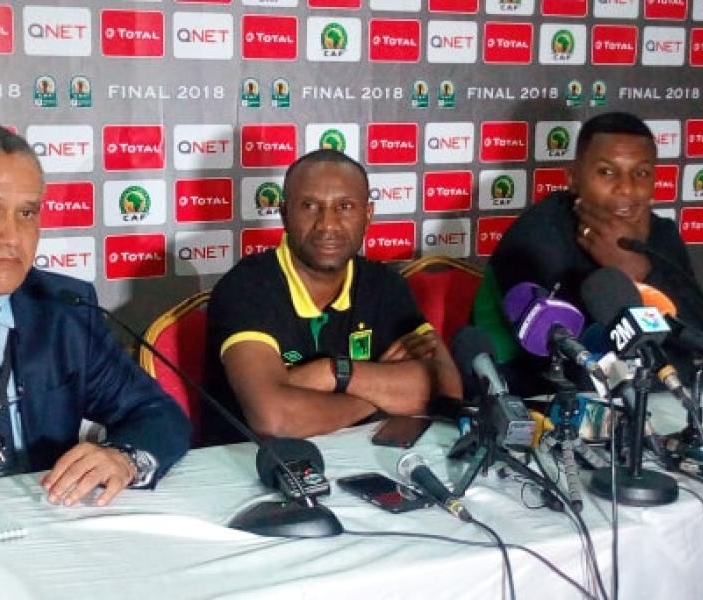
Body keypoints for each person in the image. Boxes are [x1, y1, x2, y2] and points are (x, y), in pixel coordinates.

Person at [0, 123, 191, 503]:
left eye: (26, 213)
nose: (11, 236)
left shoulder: (65, 308)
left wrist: (124, 458)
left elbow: (156, 413)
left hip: (45, 528)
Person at [204, 149, 462, 444]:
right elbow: (275, 418)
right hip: (249, 470)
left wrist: (333, 374)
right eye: (310, 206)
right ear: (284, 214)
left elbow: (446, 388)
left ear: (368, 215)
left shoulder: (384, 285)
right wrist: (381, 394)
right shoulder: (246, 288)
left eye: (345, 207)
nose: (327, 224)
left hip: (359, 460)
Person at [474, 111, 703, 395]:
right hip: (530, 401)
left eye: (641, 173)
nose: (626, 188)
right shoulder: (536, 235)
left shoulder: (661, 234)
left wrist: (642, 271)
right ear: (573, 178)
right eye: (607, 172)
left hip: (643, 401)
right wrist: (626, 273)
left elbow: (696, 336)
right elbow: (572, 366)